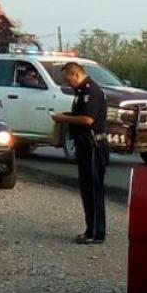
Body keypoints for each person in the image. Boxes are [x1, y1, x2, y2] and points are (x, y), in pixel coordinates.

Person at [51, 62, 109, 245]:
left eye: (68, 79)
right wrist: (67, 114)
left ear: (75, 74)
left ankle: (97, 233)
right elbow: (80, 113)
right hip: (84, 145)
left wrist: (63, 119)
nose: (67, 83)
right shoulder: (81, 91)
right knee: (86, 189)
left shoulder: (91, 91)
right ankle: (89, 229)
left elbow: (87, 118)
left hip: (93, 145)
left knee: (93, 189)